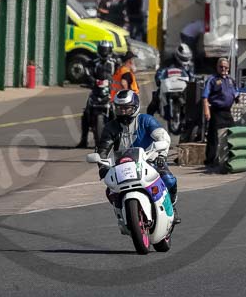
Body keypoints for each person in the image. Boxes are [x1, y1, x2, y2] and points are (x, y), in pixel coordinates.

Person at [96, 89, 180, 222]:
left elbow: (163, 137)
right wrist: (102, 167)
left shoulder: (146, 120)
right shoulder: (111, 127)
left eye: (126, 108)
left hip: (150, 160)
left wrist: (161, 156)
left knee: (168, 179)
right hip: (123, 165)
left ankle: (173, 206)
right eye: (119, 108)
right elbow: (102, 149)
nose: (122, 112)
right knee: (110, 191)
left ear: (135, 107)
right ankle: (121, 215)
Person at [76, 40, 117, 149]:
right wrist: (91, 81)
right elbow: (87, 73)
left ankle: (120, 139)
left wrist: (116, 83)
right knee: (86, 112)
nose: (104, 52)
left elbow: (120, 74)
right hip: (96, 91)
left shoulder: (115, 62)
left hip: (110, 92)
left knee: (119, 111)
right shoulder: (93, 62)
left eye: (106, 50)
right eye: (102, 50)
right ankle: (83, 140)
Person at [202, 57, 239, 172]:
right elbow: (205, 96)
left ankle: (230, 157)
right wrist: (206, 111)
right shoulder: (212, 80)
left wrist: (238, 99)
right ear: (217, 67)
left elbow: (236, 93)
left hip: (227, 111)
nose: (223, 69)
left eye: (226, 67)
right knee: (214, 137)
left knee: (232, 133)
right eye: (221, 67)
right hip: (216, 111)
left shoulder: (230, 80)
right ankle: (210, 160)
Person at [147, 43, 194, 116]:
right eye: (183, 58)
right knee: (156, 97)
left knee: (194, 98)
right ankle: (148, 119)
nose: (185, 60)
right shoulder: (168, 62)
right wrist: (158, 79)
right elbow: (160, 71)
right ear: (178, 56)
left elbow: (192, 76)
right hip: (169, 84)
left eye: (186, 58)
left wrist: (192, 81)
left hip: (183, 86)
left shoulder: (190, 65)